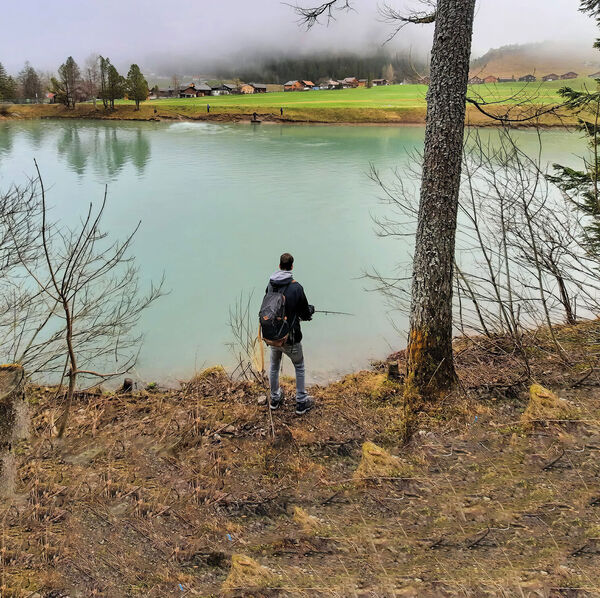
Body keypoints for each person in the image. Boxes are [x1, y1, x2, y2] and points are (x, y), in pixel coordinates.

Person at [265, 253, 314, 415]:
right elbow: (305, 313)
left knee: (274, 366)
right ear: (292, 267)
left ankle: (275, 398)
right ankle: (301, 402)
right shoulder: (296, 288)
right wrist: (310, 311)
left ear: (279, 266)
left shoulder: (271, 285)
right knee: (299, 366)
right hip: (290, 337)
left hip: (274, 336)